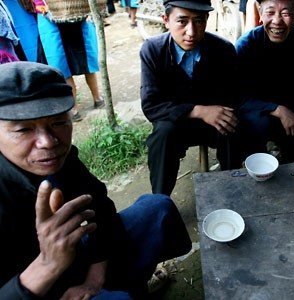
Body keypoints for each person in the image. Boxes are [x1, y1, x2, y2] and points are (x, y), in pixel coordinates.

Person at [0, 61, 192, 299]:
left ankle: (133, 281)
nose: (48, 142)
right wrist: (48, 264)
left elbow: (101, 209)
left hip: (80, 260)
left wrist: (94, 279)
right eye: (23, 130)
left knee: (158, 208)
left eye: (58, 122)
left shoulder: (62, 159)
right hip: (36, 290)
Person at [140, 0, 243, 195]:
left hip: (214, 123)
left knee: (231, 124)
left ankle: (232, 189)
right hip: (178, 123)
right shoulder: (152, 50)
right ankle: (160, 201)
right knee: (162, 134)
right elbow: (151, 105)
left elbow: (233, 96)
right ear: (166, 20)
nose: (191, 32)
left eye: (198, 21)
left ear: (207, 20)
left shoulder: (223, 50)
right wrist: (198, 110)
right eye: (182, 21)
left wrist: (216, 111)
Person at [235, 0, 294, 163]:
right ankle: (257, 166)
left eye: (286, 13)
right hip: (259, 108)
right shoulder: (246, 45)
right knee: (257, 123)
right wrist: (276, 109)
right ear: (260, 14)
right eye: (270, 13)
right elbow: (237, 95)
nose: (277, 21)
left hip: (293, 104)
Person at [34, 0, 105, 122]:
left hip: (50, 11)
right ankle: (97, 98)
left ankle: (74, 109)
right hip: (72, 11)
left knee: (62, 62)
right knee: (80, 59)